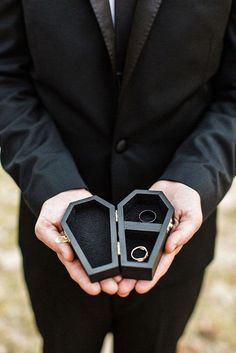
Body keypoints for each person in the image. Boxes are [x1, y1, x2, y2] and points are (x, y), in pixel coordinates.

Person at [0, 1, 235, 352]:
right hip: (58, 237)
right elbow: (6, 77)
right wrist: (51, 181)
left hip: (174, 241)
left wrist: (194, 178)